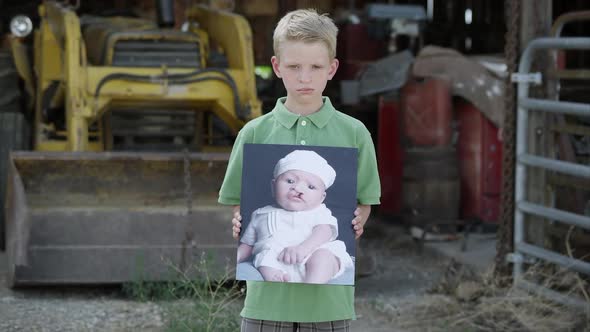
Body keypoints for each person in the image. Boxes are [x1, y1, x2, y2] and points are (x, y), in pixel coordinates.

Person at [218, 8, 381, 331]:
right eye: (294, 67)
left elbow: (364, 200)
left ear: (332, 69)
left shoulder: (354, 133)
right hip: (266, 302)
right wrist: (240, 216)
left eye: (316, 67)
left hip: (328, 305)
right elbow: (239, 199)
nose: (304, 78)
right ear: (277, 67)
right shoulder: (254, 133)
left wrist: (358, 220)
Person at [237, 149, 354, 284]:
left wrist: (304, 248)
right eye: (290, 181)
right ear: (273, 186)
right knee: (262, 260)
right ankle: (277, 284)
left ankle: (311, 288)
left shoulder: (320, 212)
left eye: (310, 186)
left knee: (323, 258)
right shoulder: (260, 214)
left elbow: (325, 231)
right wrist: (237, 258)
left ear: (322, 198)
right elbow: (248, 245)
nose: (298, 189)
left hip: (311, 256)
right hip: (276, 263)